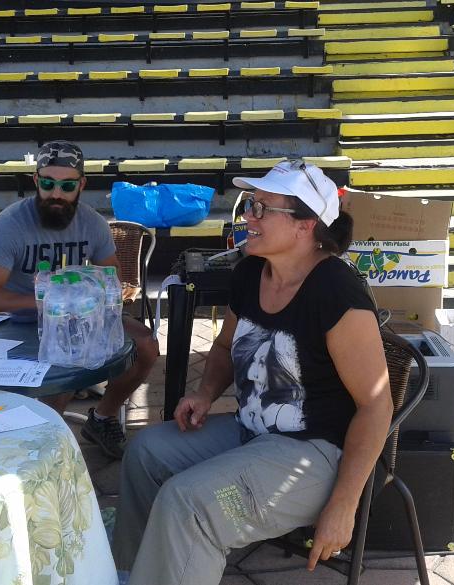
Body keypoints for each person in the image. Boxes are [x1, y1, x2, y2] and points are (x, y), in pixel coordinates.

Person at [113, 160, 394, 585]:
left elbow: (376, 406)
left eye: (263, 208)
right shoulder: (250, 272)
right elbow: (226, 347)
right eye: (250, 205)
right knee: (145, 452)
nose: (249, 216)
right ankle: (132, 574)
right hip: (252, 432)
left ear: (305, 226)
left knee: (190, 504)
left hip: (317, 456)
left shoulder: (337, 291)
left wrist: (344, 504)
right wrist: (206, 393)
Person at [0, 140, 160, 459]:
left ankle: (103, 417)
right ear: (36, 181)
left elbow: (111, 278)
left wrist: (91, 294)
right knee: (65, 352)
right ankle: (44, 444)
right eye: (48, 184)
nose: (56, 193)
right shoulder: (10, 225)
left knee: (145, 345)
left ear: (81, 185)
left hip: (74, 317)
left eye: (67, 185)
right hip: (19, 322)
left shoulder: (92, 223)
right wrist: (47, 301)